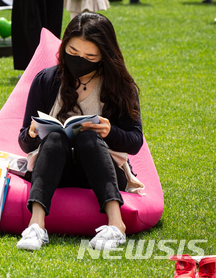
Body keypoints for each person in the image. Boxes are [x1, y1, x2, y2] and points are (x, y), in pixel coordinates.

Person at [16, 13, 143, 251]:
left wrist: (110, 131)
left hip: (102, 170)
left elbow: (135, 141)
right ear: (64, 47)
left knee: (88, 135)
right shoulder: (46, 80)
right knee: (54, 137)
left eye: (90, 56)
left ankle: (117, 226)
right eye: (73, 53)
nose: (79, 61)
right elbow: (24, 143)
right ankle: (36, 227)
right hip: (54, 169)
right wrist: (32, 133)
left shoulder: (119, 86)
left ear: (104, 56)